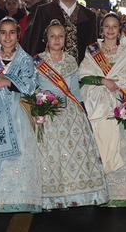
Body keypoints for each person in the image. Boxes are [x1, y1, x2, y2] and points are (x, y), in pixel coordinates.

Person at [33, 20, 108, 209]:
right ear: (46, 39)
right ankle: (52, 198)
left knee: (75, 152)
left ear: (65, 39)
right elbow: (32, 88)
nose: (57, 39)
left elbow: (75, 89)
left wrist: (83, 112)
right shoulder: (37, 61)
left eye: (61, 36)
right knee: (51, 155)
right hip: (48, 113)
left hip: (71, 112)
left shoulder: (71, 60)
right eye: (53, 36)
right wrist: (40, 104)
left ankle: (79, 195)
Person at [80, 12, 126, 207]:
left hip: (119, 103)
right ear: (101, 29)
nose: (110, 30)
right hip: (98, 104)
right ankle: (99, 192)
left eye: (114, 27)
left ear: (120, 31)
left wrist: (120, 91)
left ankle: (125, 193)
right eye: (106, 26)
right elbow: (83, 76)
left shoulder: (125, 52)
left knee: (124, 147)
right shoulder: (92, 50)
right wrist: (103, 81)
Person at [0, 16, 43, 213]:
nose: (7, 37)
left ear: (18, 35)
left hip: (16, 114)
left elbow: (31, 84)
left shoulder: (25, 59)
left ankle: (21, 198)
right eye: (3, 32)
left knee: (19, 155)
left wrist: (9, 82)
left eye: (12, 32)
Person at [23, 0, 97, 62]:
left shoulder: (89, 15)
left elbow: (93, 48)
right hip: (49, 70)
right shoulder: (44, 11)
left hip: (81, 71)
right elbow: (34, 43)